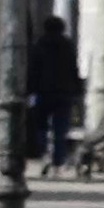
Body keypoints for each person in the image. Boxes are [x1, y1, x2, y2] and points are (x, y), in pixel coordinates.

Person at [29, 11, 84, 174]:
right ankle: (58, 161)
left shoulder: (40, 45)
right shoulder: (67, 45)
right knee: (61, 128)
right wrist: (77, 90)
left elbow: (33, 70)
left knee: (41, 127)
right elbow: (73, 69)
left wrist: (30, 89)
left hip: (43, 92)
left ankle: (44, 153)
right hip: (64, 93)